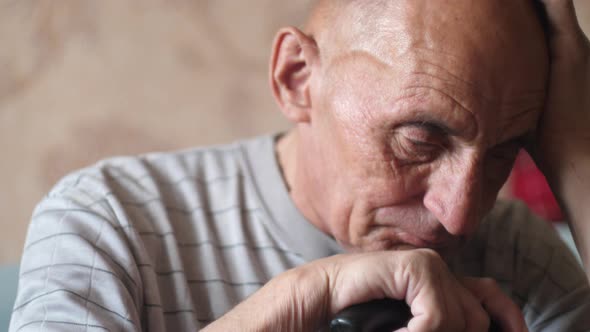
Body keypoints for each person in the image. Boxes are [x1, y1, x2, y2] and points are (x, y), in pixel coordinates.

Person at [9, 0, 590, 331]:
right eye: (420, 138)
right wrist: (303, 297)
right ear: (296, 77)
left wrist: (578, 153)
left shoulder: (515, 250)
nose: (461, 215)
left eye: (501, 153)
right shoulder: (108, 218)